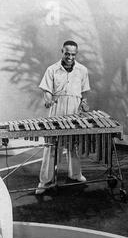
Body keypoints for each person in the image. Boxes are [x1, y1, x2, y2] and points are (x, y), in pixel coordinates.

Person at [35, 40, 90, 195]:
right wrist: (48, 99)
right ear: (62, 51)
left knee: (74, 145)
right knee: (51, 146)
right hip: (56, 110)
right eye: (67, 53)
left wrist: (84, 104)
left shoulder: (82, 70)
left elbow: (84, 92)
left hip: (74, 110)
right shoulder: (52, 69)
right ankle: (45, 181)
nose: (70, 57)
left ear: (76, 54)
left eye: (73, 54)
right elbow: (46, 90)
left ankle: (75, 174)